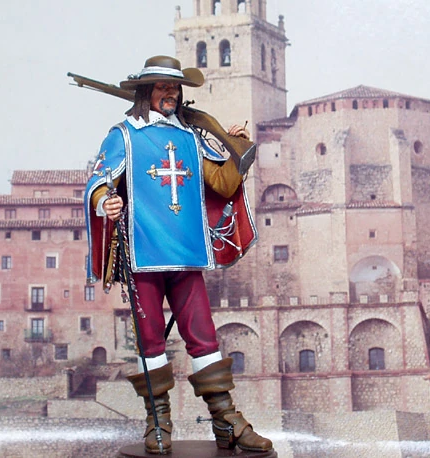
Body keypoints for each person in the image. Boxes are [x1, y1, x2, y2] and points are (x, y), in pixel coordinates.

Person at [84, 55, 272, 454]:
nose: (170, 93)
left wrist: (237, 147)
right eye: (162, 87)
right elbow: (99, 180)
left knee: (204, 337)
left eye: (174, 87)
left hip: (187, 255)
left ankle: (226, 420)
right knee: (150, 341)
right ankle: (158, 422)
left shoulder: (191, 137)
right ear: (146, 92)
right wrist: (105, 201)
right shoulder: (123, 135)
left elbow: (222, 183)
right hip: (143, 254)